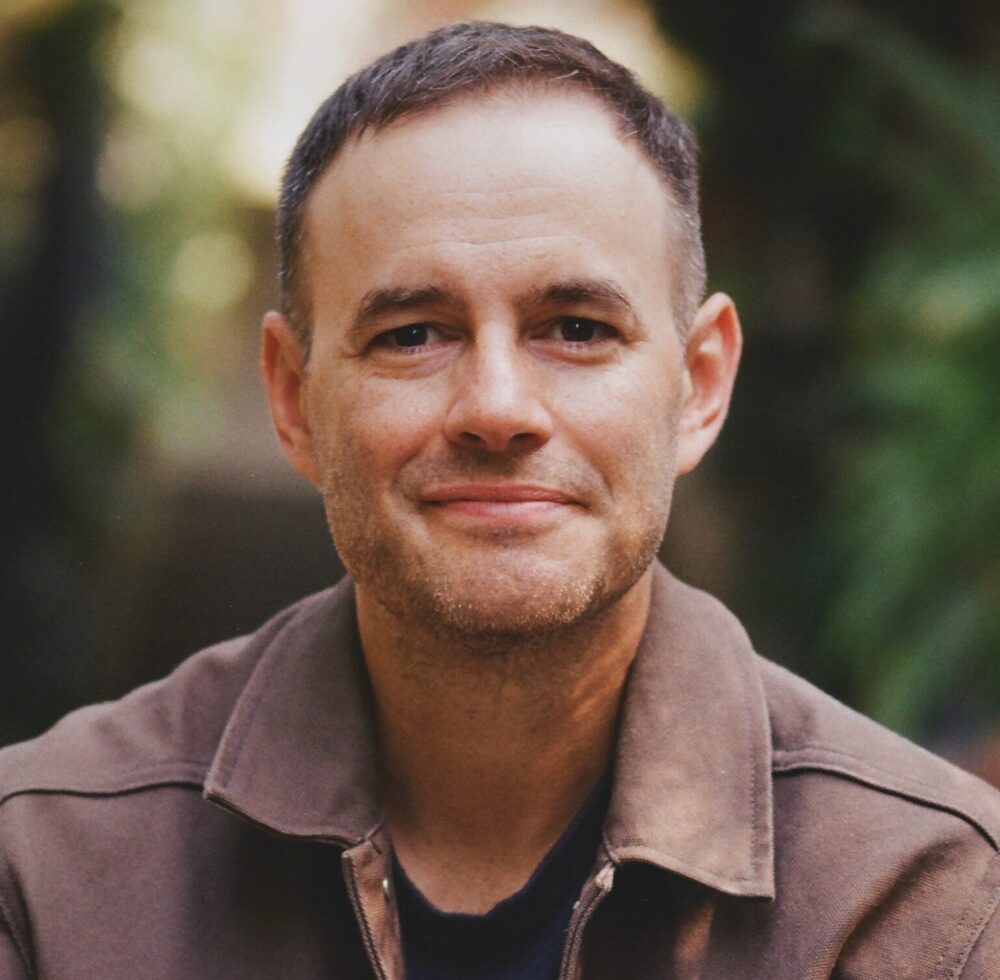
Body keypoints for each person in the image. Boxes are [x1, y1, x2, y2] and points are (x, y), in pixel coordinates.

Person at [1, 21, 998, 980]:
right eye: (412, 334)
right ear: (294, 397)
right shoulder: (49, 869)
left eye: (575, 327)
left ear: (699, 385)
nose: (496, 408)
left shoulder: (925, 905)